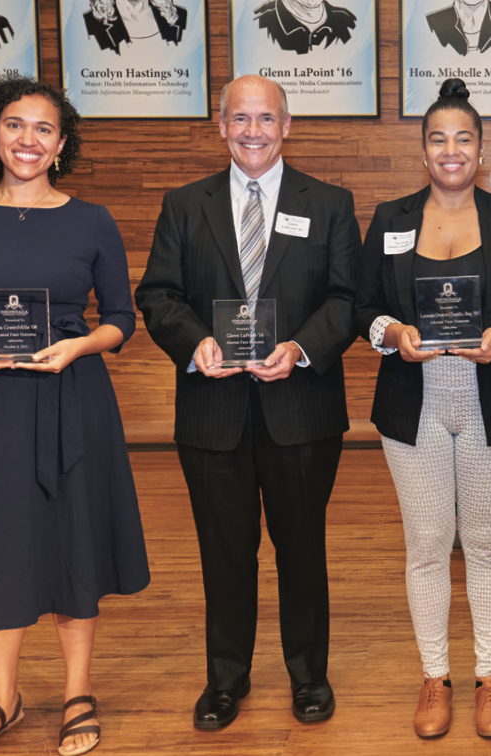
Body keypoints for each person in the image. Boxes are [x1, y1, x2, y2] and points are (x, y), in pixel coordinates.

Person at [0, 75, 149, 756]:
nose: (28, 140)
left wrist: (82, 345)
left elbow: (123, 318)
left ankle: (77, 693)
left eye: (44, 129)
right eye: (16, 125)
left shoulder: (91, 220)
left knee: (72, 537)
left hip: (72, 395)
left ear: (62, 143)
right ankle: (3, 699)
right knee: (0, 542)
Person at [134, 75, 360, 731]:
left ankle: (309, 677)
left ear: (287, 125)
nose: (253, 131)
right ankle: (225, 680)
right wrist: (195, 341)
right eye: (241, 118)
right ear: (221, 125)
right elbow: (158, 295)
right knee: (224, 553)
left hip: (303, 411)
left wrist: (299, 347)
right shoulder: (184, 205)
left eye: (265, 118)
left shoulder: (331, 203)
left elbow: (347, 299)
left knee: (301, 550)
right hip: (213, 412)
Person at [356, 78, 491, 739]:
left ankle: (489, 677)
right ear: (423, 150)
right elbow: (363, 307)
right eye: (437, 138)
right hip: (414, 407)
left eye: (462, 138)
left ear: (480, 148)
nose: (450, 149)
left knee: (489, 544)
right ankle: (434, 676)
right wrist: (392, 334)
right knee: (428, 545)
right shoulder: (390, 219)